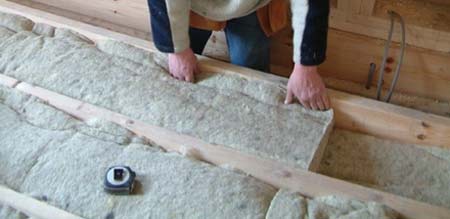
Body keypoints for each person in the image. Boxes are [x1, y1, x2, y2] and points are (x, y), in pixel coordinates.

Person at [147, 0, 330, 111]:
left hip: (251, 7)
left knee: (253, 88)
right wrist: (177, 49)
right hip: (192, 5)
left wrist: (305, 67)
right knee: (178, 81)